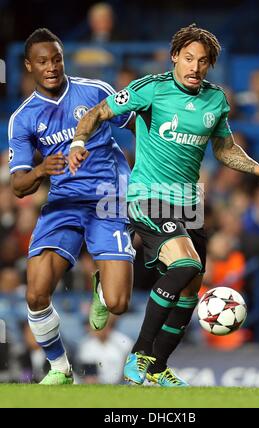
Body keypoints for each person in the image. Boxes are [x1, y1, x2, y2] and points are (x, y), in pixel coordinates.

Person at [69, 24, 259, 387]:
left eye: (203, 61)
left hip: (189, 206)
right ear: (175, 57)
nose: (195, 67)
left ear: (210, 65)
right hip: (148, 197)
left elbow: (224, 148)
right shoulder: (151, 89)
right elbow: (97, 113)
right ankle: (139, 353)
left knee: (190, 288)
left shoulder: (215, 100)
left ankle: (157, 367)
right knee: (186, 264)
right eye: (188, 58)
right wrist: (79, 142)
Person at [8, 28, 135, 385]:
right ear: (29, 65)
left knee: (119, 303)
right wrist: (40, 170)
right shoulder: (23, 118)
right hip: (63, 202)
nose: (52, 67)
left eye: (57, 59)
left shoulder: (95, 91)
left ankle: (101, 286)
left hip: (108, 198)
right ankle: (60, 368)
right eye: (43, 61)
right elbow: (18, 186)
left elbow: (138, 122)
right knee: (35, 291)